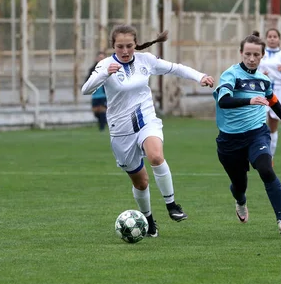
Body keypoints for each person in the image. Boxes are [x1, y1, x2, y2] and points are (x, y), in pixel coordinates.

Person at [82, 25, 215, 237]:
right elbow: (86, 89)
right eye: (119, 47)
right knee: (141, 182)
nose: (125, 51)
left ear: (135, 44)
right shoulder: (105, 65)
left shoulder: (146, 60)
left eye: (129, 46)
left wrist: (200, 77)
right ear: (113, 46)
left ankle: (172, 205)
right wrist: (104, 74)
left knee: (156, 156)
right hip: (120, 130)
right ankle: (149, 221)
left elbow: (176, 68)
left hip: (146, 120)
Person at [213, 32, 281, 235]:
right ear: (241, 53)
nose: (251, 58)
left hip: (257, 134)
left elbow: (273, 101)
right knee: (239, 185)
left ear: (262, 55)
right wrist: (249, 100)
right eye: (247, 54)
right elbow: (224, 101)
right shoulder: (230, 75)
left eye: (256, 54)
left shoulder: (263, 80)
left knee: (266, 169)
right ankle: (240, 201)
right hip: (229, 140)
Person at [258, 28, 281, 160]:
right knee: (259, 121)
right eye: (270, 36)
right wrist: (262, 75)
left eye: (275, 36)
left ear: (279, 39)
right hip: (262, 90)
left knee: (273, 123)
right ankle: (258, 152)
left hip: (278, 90)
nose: (272, 39)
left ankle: (270, 157)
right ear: (266, 39)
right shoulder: (260, 54)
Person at [86, 51, 108, 131]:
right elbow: (87, 80)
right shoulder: (92, 69)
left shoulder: (109, 69)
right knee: (96, 112)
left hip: (104, 94)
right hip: (95, 94)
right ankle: (104, 121)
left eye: (103, 58)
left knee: (102, 110)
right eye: (100, 58)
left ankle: (102, 128)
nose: (101, 60)